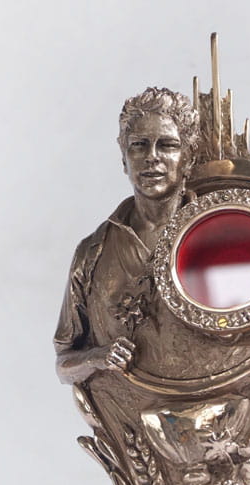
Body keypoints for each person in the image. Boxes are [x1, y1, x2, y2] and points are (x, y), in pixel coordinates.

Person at [54, 87, 200, 385]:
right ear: (124, 159)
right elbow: (64, 365)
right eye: (139, 145)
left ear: (188, 158)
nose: (152, 157)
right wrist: (97, 357)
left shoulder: (219, 235)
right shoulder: (92, 252)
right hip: (122, 410)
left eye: (167, 145)